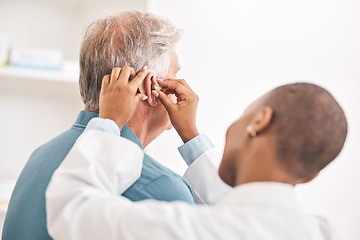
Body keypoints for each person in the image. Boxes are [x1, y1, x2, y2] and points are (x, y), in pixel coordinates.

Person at [46, 66, 347, 240]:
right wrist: (190, 134)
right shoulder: (325, 233)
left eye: (244, 114)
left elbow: (71, 211)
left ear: (259, 121)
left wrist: (109, 122)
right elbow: (243, 209)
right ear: (311, 176)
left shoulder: (185, 227)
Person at [3, 12, 227, 240]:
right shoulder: (160, 188)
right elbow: (228, 223)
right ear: (151, 87)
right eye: (175, 74)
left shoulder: (40, 157)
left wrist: (192, 136)